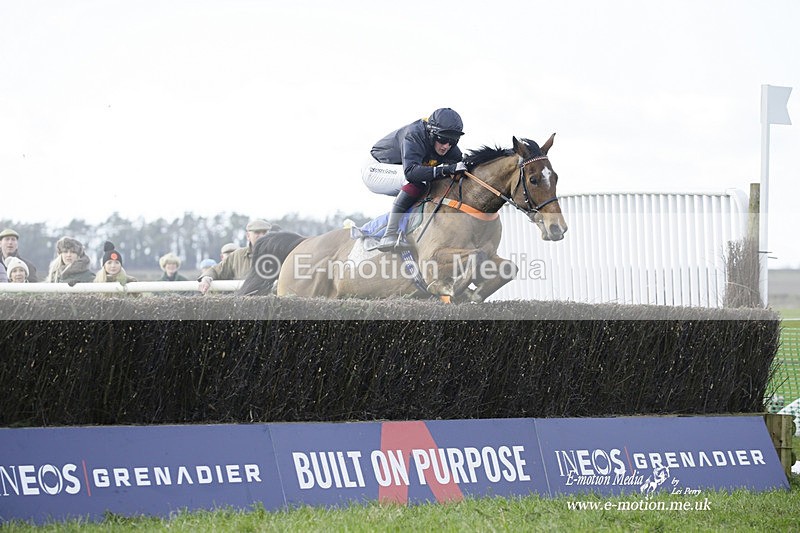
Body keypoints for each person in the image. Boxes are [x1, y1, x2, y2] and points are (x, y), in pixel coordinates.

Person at [364, 108, 467, 251]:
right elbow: (411, 173)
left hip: (401, 171)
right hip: (375, 169)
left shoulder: (448, 146)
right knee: (418, 180)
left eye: (453, 141)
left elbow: (462, 166)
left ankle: (407, 231)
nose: (446, 146)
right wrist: (444, 170)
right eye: (442, 139)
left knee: (431, 184)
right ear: (431, 133)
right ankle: (389, 234)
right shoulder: (414, 135)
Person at [197, 219, 271, 295]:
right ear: (248, 236)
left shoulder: (276, 255)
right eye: (257, 232)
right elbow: (216, 270)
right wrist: (206, 278)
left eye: (264, 232)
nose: (262, 236)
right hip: (242, 301)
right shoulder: (237, 256)